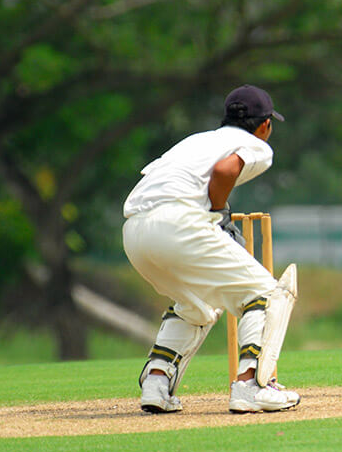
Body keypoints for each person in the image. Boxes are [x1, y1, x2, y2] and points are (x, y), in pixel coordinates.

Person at [123, 85, 301, 413]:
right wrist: (217, 215)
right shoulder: (256, 145)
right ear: (266, 125)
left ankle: (157, 382)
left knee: (198, 304)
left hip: (135, 231)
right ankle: (252, 386)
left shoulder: (198, 140)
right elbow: (224, 171)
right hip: (180, 224)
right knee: (266, 294)